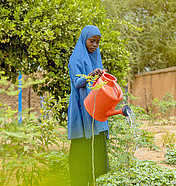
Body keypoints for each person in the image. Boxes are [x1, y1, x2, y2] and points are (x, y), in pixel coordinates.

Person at [67, 25, 109, 186]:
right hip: (81, 107)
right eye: (92, 41)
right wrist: (90, 75)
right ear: (84, 39)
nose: (95, 45)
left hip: (96, 107)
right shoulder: (76, 58)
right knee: (81, 144)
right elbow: (77, 83)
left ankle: (98, 180)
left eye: (98, 42)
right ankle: (80, 180)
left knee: (98, 144)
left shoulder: (96, 58)